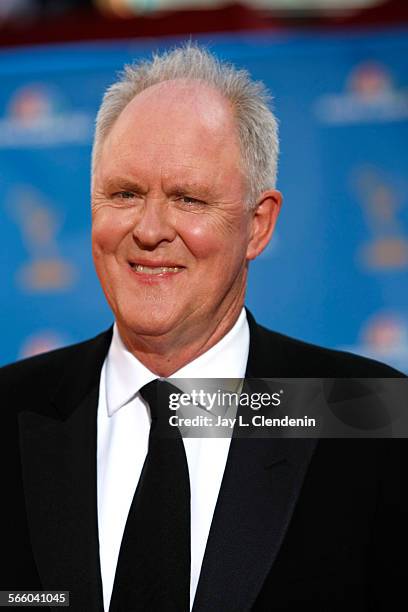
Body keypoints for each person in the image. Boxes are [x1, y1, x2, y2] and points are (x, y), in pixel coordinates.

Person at [0, 44, 406, 612]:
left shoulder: (370, 416)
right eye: (124, 194)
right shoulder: (9, 410)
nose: (149, 229)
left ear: (258, 226)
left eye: (188, 199)